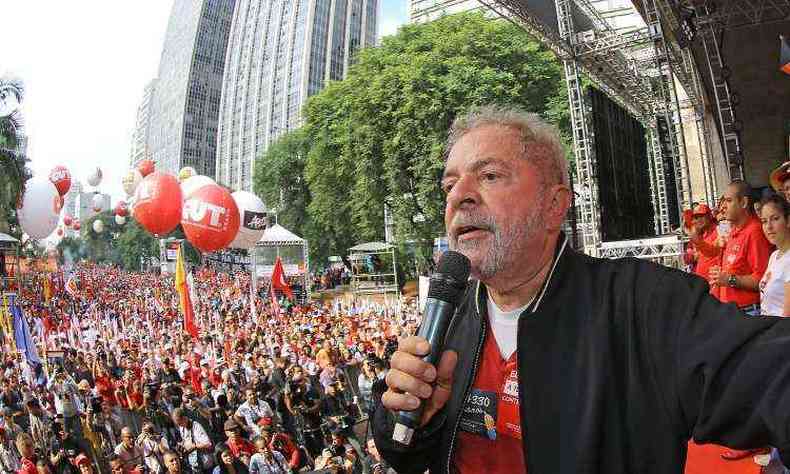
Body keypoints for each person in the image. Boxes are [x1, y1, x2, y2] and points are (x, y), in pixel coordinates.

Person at [372, 105, 790, 473]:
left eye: (490, 175)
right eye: (449, 185)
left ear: (554, 206)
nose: (459, 196)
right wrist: (410, 422)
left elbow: (772, 374)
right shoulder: (446, 320)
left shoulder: (640, 305)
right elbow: (402, 453)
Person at [693, 180, 772, 314]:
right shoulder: (734, 231)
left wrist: (729, 279)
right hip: (731, 312)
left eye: (729, 201)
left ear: (744, 203)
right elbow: (715, 255)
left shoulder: (754, 231)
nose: (723, 206)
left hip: (747, 313)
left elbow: (763, 279)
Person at [760, 195, 790, 317]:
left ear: (788, 221)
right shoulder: (774, 256)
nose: (769, 227)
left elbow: (787, 315)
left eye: (775, 219)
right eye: (764, 221)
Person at [686, 203, 721, 297]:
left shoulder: (718, 231)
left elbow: (713, 252)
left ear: (709, 216)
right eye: (696, 217)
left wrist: (697, 242)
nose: (698, 220)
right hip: (704, 288)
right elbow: (687, 259)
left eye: (701, 216)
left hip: (716, 288)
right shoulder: (703, 234)